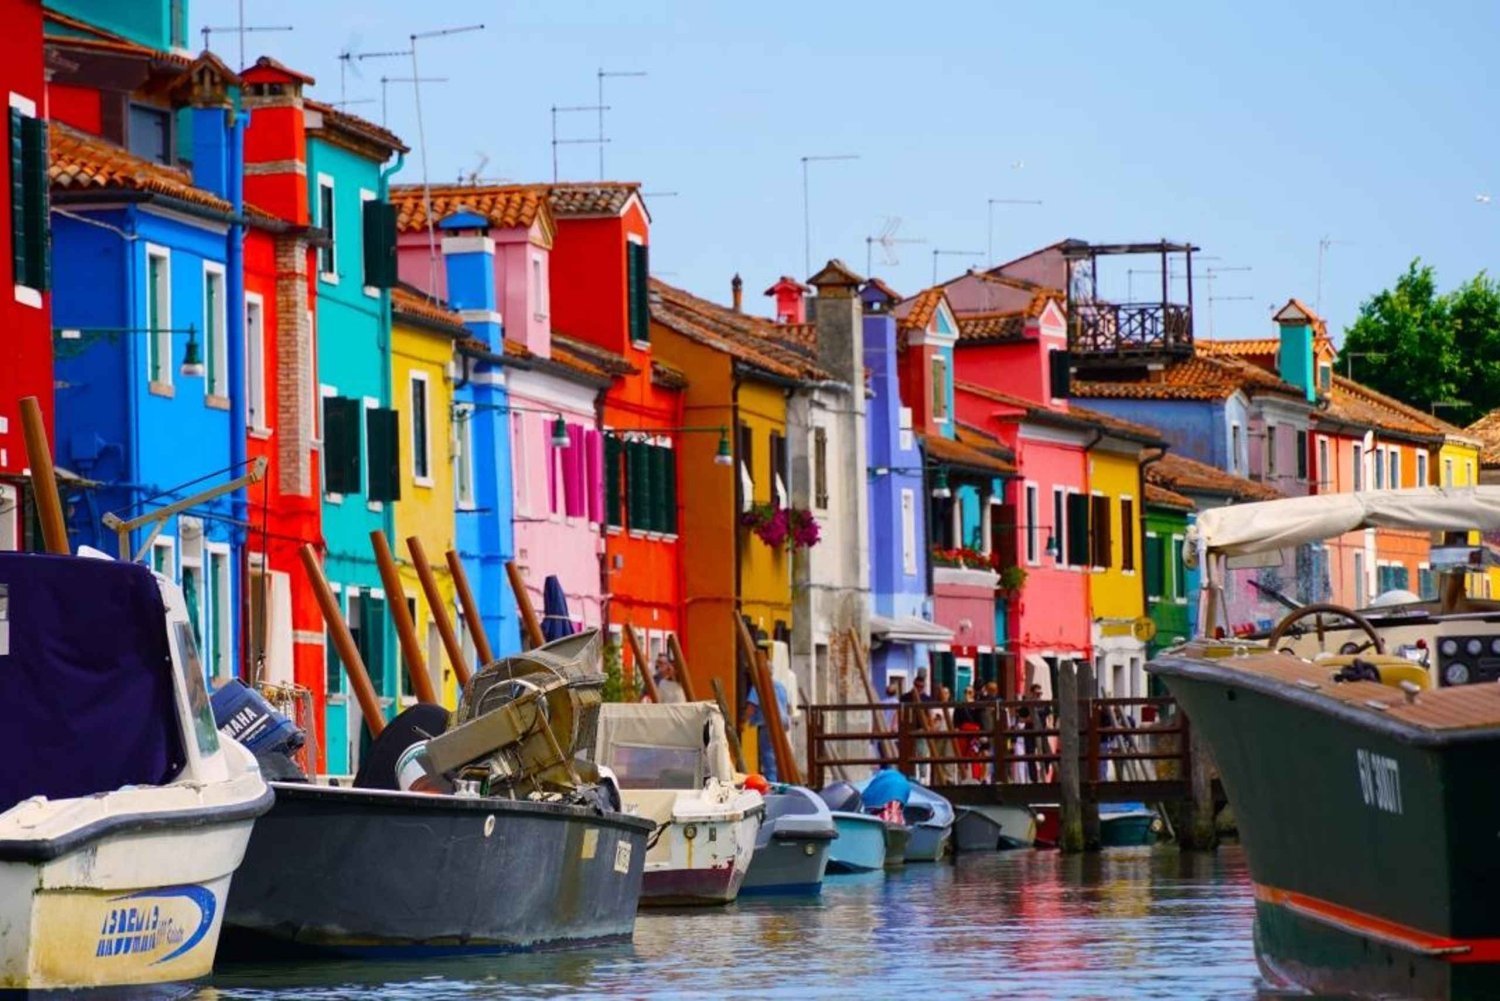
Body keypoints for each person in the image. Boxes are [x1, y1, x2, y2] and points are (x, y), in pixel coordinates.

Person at [745, 675, 790, 782]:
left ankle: (772, 783)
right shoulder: (780, 686)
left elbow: (751, 707)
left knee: (768, 756)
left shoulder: (758, 687)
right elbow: (788, 707)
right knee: (779, 754)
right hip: (782, 724)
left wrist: (742, 721)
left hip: (767, 725)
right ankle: (782, 781)